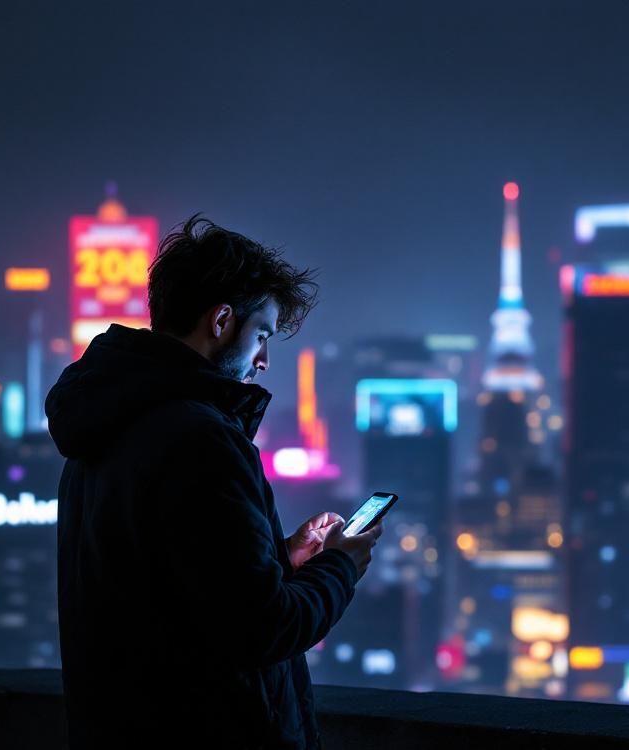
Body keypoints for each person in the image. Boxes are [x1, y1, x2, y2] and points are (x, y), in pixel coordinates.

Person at [47, 215, 382, 749]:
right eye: (262, 335)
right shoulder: (200, 440)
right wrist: (342, 566)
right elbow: (263, 629)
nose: (265, 362)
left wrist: (281, 557)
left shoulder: (98, 430)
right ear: (222, 320)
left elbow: (176, 591)